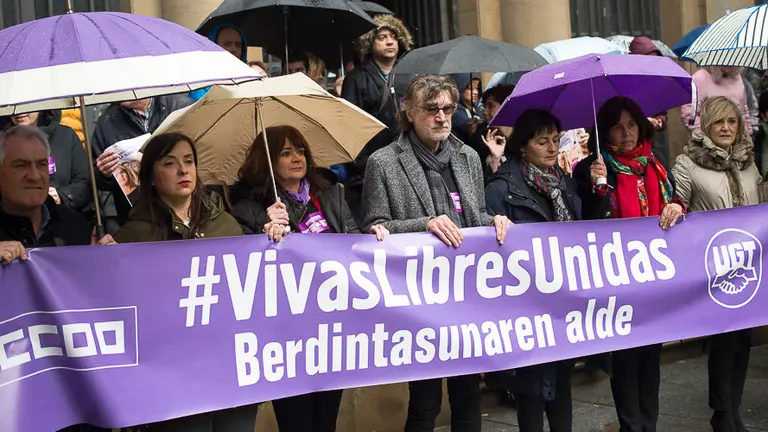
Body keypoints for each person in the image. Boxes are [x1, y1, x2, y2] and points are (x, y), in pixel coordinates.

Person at [361, 74, 512, 432]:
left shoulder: (468, 157)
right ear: (409, 113)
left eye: (448, 108)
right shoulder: (383, 162)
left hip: (466, 295)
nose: (442, 117)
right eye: (432, 110)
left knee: (467, 396)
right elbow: (375, 227)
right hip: (419, 299)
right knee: (425, 402)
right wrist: (423, 224)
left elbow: (474, 218)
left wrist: (496, 221)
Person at [228, 125, 385, 431]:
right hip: (286, 337)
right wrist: (264, 228)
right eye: (285, 153)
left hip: (331, 330)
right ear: (268, 162)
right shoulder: (249, 209)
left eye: (299, 150)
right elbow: (244, 271)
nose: (296, 158)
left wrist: (372, 235)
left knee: (326, 420)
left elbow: (351, 240)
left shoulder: (331, 194)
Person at [573, 96, 686, 432]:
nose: (626, 133)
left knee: (650, 357)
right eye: (617, 126)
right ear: (605, 132)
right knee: (624, 358)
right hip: (616, 280)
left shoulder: (656, 164)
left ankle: (648, 425)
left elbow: (676, 198)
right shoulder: (589, 168)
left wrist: (677, 205)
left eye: (632, 124)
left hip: (654, 277)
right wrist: (597, 187)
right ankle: (631, 426)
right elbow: (585, 222)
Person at [672, 96, 763, 432]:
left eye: (732, 122)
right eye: (718, 122)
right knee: (723, 341)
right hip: (712, 267)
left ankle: (734, 409)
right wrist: (674, 207)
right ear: (706, 126)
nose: (726, 128)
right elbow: (678, 199)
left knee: (743, 340)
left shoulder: (748, 163)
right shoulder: (688, 163)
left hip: (750, 265)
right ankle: (722, 412)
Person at [485, 109, 579, 432]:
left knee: (562, 386)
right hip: (526, 309)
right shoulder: (501, 188)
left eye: (555, 140)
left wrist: (597, 190)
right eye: (543, 142)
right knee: (531, 393)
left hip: (563, 303)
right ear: (522, 146)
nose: (553, 148)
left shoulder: (564, 182)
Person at [339, 14, 414, 222]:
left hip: (405, 166)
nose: (390, 41)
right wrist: (363, 165)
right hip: (368, 169)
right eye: (382, 37)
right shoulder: (357, 78)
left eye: (393, 36)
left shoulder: (409, 75)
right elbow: (349, 125)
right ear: (370, 43)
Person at [92, 94, 194, 234]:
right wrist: (103, 173)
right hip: (138, 216)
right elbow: (95, 178)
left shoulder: (182, 107)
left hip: (186, 209)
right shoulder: (106, 122)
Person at [6, 110, 91, 213]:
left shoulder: (66, 136)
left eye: (26, 105)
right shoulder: (3, 142)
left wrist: (61, 196)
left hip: (63, 218)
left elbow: (85, 184)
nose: (19, 111)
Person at [628, 36, 670, 166]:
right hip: (628, 150)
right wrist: (643, 121)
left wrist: (660, 121)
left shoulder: (655, 83)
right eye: (647, 60)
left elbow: (662, 113)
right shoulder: (625, 83)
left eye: (655, 60)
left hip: (648, 147)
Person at [682, 67, 752, 134]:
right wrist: (705, 136)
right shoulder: (700, 78)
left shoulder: (736, 77)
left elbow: (743, 109)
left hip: (736, 139)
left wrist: (747, 133)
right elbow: (690, 112)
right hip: (711, 139)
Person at [189, 24, 249, 101]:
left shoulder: (250, 79)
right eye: (227, 44)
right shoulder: (202, 83)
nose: (233, 48)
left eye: (238, 45)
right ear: (214, 46)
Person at [471, 84, 515, 182]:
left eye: (490, 106)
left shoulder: (523, 137)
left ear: (506, 106)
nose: (485, 112)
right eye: (484, 106)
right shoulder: (482, 136)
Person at [450, 74, 481, 145]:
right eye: (470, 89)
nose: (476, 92)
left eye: (477, 88)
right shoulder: (457, 112)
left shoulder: (478, 108)